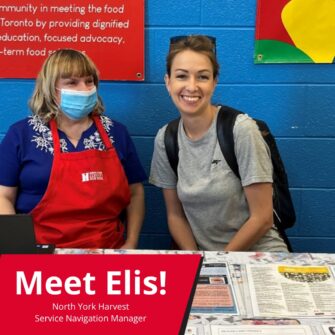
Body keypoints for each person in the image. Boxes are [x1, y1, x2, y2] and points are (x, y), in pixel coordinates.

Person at [149, 35, 288, 252]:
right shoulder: (165, 139)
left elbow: (262, 218)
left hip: (258, 252)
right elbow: (175, 215)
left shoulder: (241, 130)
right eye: (182, 76)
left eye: (202, 77)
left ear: (214, 82)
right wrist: (196, 259)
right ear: (168, 82)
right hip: (204, 256)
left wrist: (220, 262)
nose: (192, 86)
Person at [0, 49, 147, 249]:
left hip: (106, 250)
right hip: (39, 252)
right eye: (71, 82)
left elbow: (135, 193)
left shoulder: (116, 133)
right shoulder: (21, 135)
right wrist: (18, 248)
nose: (84, 89)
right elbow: (4, 196)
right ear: (51, 88)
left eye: (89, 81)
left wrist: (131, 243)